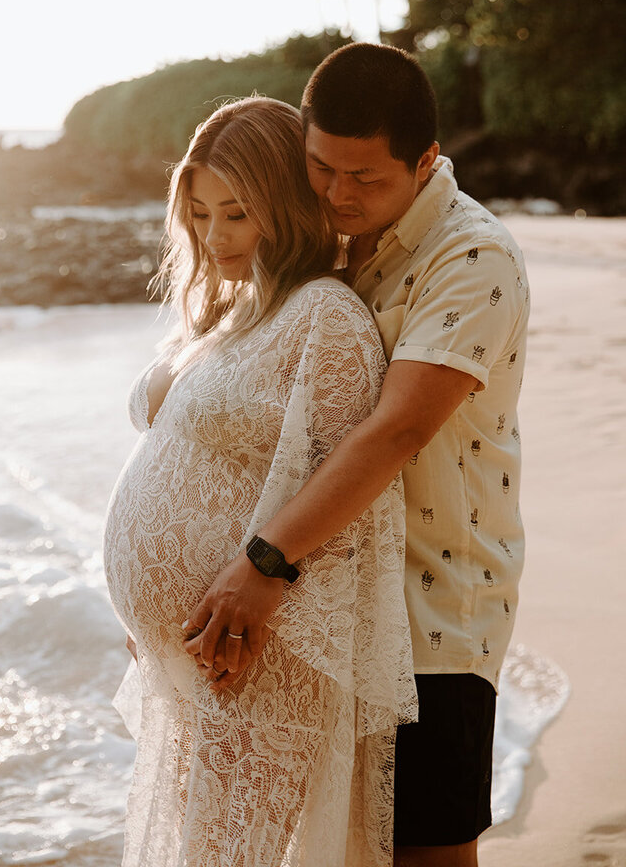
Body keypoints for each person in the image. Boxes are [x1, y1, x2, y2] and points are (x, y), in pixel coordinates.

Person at [183, 44, 529, 867]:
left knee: (426, 853)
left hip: (432, 613)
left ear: (425, 162)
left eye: (365, 178)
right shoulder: (342, 246)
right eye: (320, 169)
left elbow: (397, 429)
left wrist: (261, 566)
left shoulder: (470, 256)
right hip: (339, 606)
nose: (339, 195)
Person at [103, 96, 417, 867]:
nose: (215, 237)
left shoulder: (326, 314)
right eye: (202, 214)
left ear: (282, 202)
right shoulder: (238, 308)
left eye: (238, 213)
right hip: (198, 658)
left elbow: (354, 498)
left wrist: (260, 595)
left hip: (257, 656)